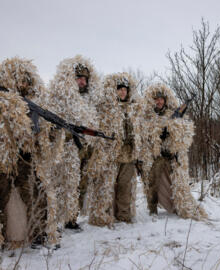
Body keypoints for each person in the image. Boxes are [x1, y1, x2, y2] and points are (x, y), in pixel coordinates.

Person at [0, 57, 59, 265]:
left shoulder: (37, 102)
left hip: (25, 160)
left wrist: (50, 134)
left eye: (26, 81)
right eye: (19, 80)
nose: (23, 85)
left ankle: (38, 235)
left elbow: (40, 134)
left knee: (36, 195)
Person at [43, 55, 100, 230]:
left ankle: (71, 218)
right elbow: (50, 123)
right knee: (60, 184)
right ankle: (54, 220)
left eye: (84, 79)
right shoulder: (60, 97)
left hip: (83, 148)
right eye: (78, 78)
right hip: (65, 147)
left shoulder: (90, 100)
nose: (82, 82)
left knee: (76, 184)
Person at [140, 83, 207, 220]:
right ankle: (152, 209)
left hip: (172, 155)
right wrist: (158, 135)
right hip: (157, 156)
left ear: (165, 100)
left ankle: (179, 206)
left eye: (161, 99)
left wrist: (172, 129)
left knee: (178, 182)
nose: (159, 101)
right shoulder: (148, 117)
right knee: (152, 180)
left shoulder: (172, 114)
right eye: (156, 99)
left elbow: (183, 132)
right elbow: (145, 136)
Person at [87, 72, 143, 226]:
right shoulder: (106, 108)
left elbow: (139, 131)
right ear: (114, 90)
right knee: (107, 187)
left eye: (125, 89)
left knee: (126, 186)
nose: (123, 92)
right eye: (120, 89)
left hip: (128, 155)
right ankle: (104, 216)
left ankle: (124, 216)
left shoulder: (134, 109)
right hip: (111, 154)